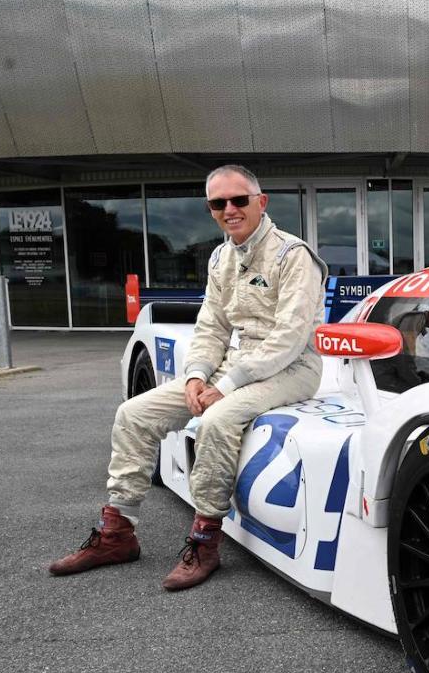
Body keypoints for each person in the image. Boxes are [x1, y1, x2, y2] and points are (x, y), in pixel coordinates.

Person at [49, 164, 327, 591]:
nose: (230, 209)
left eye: (239, 200)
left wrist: (225, 386)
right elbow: (211, 328)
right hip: (233, 365)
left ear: (261, 202)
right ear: (211, 210)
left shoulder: (294, 256)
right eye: (219, 203)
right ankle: (117, 532)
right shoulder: (220, 256)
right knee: (133, 414)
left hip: (293, 369)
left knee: (216, 420)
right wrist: (197, 376)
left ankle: (205, 541)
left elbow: (289, 339)